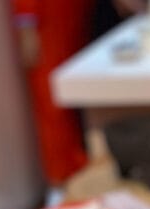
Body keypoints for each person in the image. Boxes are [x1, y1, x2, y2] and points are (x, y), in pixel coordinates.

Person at [12, 0, 97, 186]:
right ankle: (62, 180)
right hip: (47, 20)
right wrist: (26, 24)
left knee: (75, 91)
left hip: (72, 15)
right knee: (52, 99)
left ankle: (80, 172)